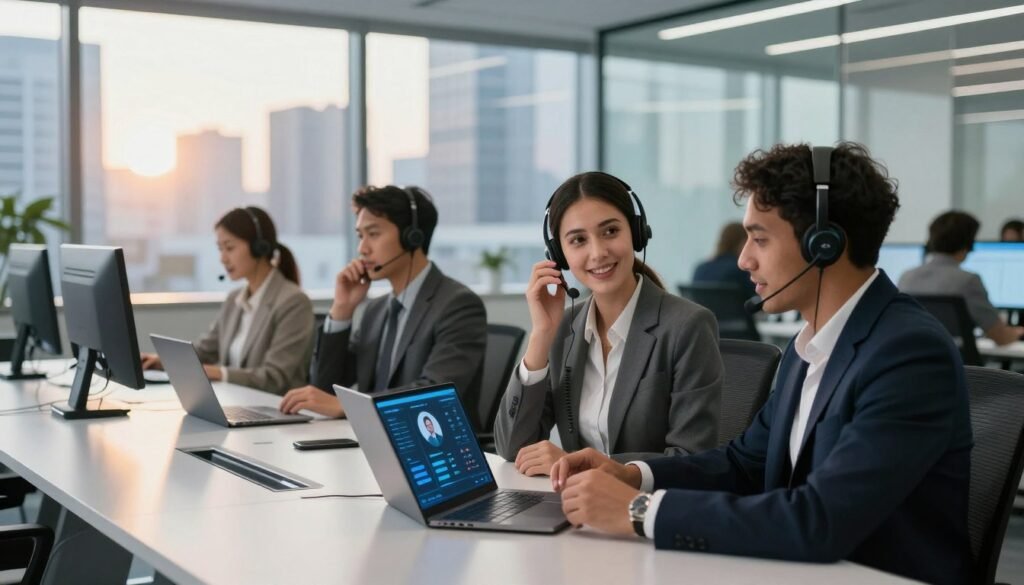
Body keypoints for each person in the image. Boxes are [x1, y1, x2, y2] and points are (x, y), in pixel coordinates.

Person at [549, 143, 973, 585]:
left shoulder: (907, 353)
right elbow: (743, 463)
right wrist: (633, 474)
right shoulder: (807, 347)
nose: (743, 259)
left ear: (824, 245)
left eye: (761, 238)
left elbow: (820, 520)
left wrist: (638, 511)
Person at [493, 171, 723, 476]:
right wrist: (541, 335)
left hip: (647, 511)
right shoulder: (564, 329)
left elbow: (692, 458)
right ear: (559, 255)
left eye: (610, 231)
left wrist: (582, 467)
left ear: (636, 233)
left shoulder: (687, 326)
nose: (598, 252)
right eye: (578, 240)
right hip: (575, 507)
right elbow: (511, 447)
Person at [279, 186, 487, 419]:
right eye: (360, 236)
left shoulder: (458, 305)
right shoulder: (375, 311)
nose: (362, 248)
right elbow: (324, 389)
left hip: (434, 447)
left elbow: (434, 395)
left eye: (374, 234)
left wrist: (350, 407)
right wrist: (342, 310)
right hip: (373, 442)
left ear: (412, 236)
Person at [141, 207, 314, 395]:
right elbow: (205, 350)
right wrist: (163, 361)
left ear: (259, 247)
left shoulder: (293, 302)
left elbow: (274, 377)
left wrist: (219, 373)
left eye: (230, 248)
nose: (223, 258)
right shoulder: (234, 300)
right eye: (220, 249)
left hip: (276, 409)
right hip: (238, 403)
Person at [899, 211, 1024, 346]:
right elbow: (1001, 337)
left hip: (915, 362)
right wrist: (1018, 331)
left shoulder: (906, 278)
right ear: (967, 245)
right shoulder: (968, 281)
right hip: (954, 363)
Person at [692, 222, 755, 296]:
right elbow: (759, 297)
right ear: (742, 242)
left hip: (704, 308)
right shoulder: (741, 269)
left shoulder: (700, 268)